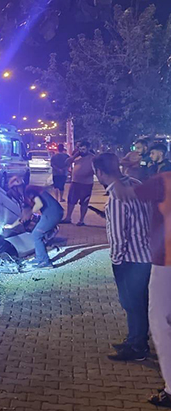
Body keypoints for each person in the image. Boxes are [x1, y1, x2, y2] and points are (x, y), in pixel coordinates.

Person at [111, 172, 171, 408]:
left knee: (160, 324)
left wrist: (117, 175)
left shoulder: (163, 180)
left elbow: (123, 195)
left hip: (166, 261)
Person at [93, 153, 153, 362]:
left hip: (130, 260)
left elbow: (119, 236)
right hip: (146, 254)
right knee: (138, 301)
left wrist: (116, 261)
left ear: (99, 172)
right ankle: (134, 339)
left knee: (132, 303)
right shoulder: (135, 183)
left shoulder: (116, 198)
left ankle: (138, 347)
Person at [4, 185, 63, 268]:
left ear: (16, 188)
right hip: (53, 212)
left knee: (36, 235)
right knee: (37, 234)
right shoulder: (27, 195)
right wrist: (11, 226)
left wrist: (30, 212)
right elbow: (24, 217)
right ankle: (40, 257)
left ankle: (44, 262)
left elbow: (39, 204)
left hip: (52, 213)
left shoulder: (29, 191)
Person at [61, 140, 95, 226]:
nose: (81, 151)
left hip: (87, 184)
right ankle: (68, 218)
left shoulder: (93, 158)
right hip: (75, 182)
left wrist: (89, 173)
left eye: (83, 149)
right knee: (71, 201)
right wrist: (74, 156)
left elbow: (96, 170)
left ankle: (81, 220)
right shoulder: (76, 156)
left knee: (84, 202)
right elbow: (66, 163)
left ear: (88, 148)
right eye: (80, 149)